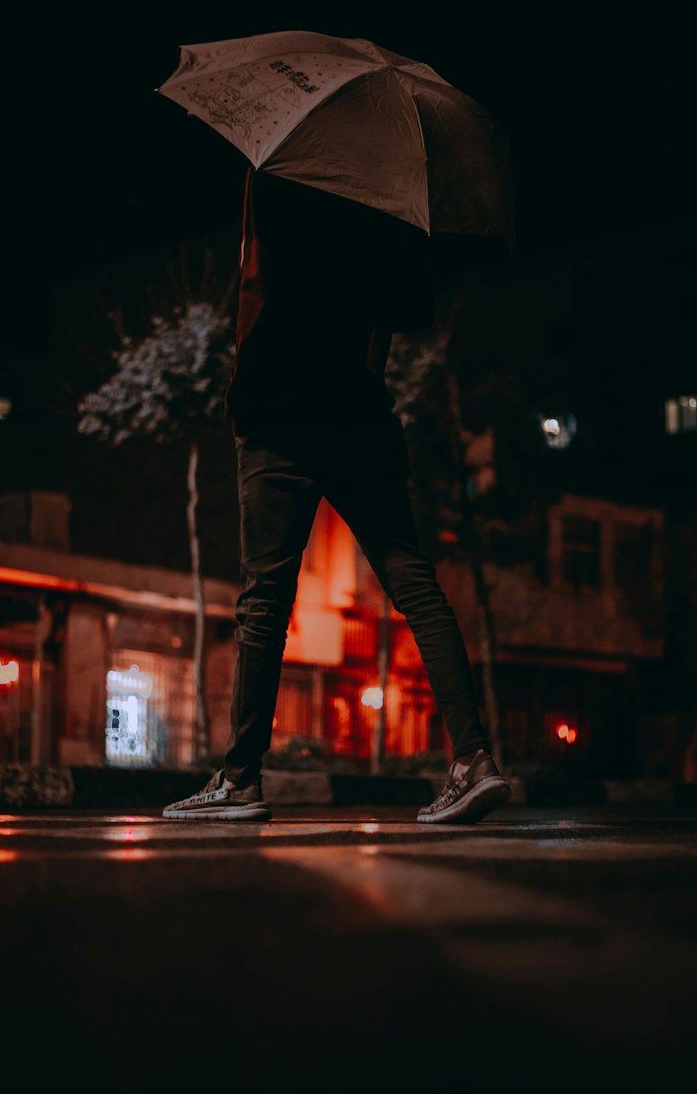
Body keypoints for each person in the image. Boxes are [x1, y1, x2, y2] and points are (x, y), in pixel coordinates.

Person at [162, 168, 510, 824]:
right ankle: (474, 759)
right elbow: (413, 309)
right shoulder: (385, 188)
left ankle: (239, 781)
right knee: (417, 588)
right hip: (359, 414)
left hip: (282, 413)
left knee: (265, 601)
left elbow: (258, 283)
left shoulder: (276, 171)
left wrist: (246, 398)